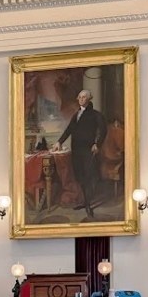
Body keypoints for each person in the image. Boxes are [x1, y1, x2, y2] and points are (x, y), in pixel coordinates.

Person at [53, 90, 107, 218]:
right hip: (76, 150)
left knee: (89, 176)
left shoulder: (95, 115)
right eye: (80, 97)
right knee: (79, 176)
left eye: (84, 97)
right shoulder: (76, 114)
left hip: (88, 150)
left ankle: (88, 204)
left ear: (89, 99)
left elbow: (103, 130)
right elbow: (69, 130)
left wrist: (97, 144)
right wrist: (59, 142)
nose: (82, 99)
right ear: (78, 99)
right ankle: (84, 202)